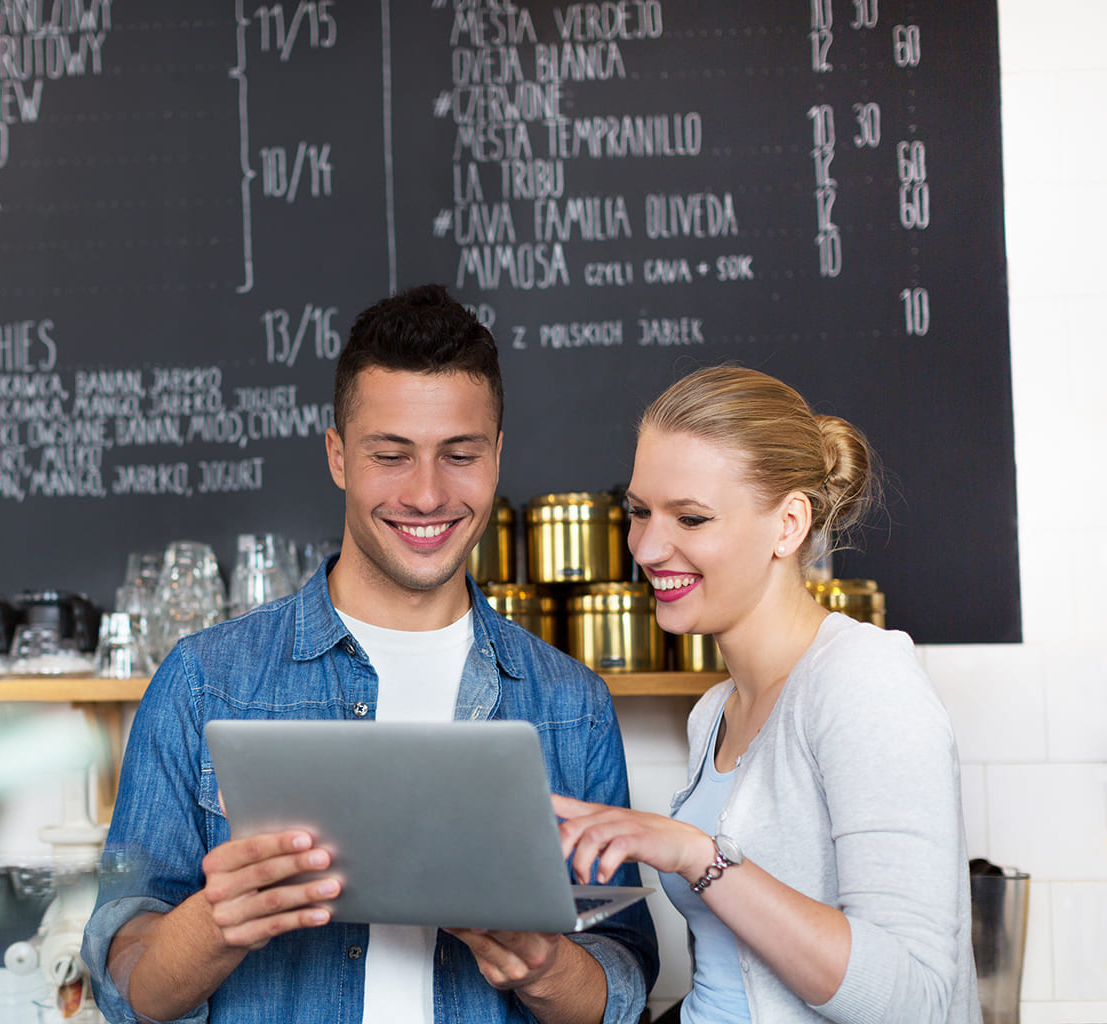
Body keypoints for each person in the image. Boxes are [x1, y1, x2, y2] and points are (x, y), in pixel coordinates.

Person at [81, 284, 659, 1024]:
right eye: (391, 455)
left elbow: (624, 983)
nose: (426, 494)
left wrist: (545, 965)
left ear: (497, 456)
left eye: (459, 455)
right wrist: (213, 926)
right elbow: (123, 986)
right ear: (338, 456)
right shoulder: (204, 682)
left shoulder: (572, 704)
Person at [554, 366, 980, 1023]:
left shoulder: (863, 683)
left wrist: (700, 856)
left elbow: (913, 1000)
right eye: (639, 511)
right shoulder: (714, 714)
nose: (647, 546)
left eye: (690, 518)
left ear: (788, 525)